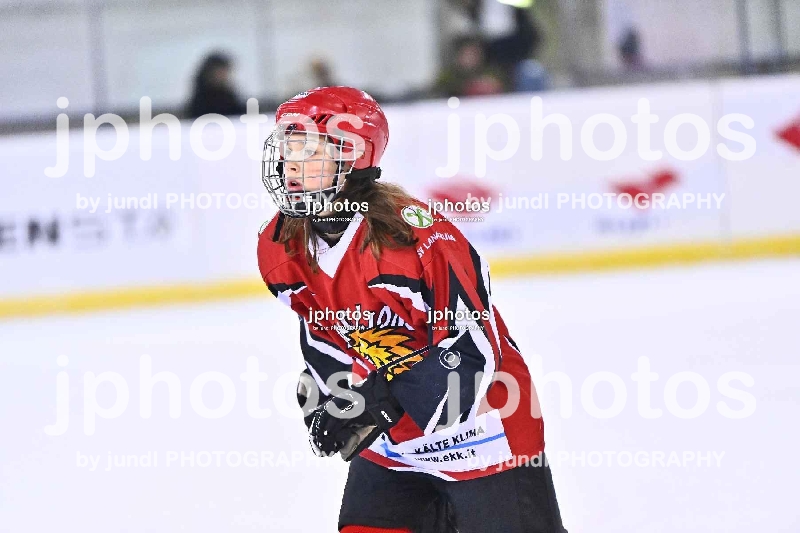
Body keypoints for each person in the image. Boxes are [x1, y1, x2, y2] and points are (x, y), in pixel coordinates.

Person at [257, 86, 567, 533]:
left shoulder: (418, 241)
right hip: (395, 443)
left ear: (352, 156)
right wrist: (334, 396)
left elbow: (474, 353)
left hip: (485, 433)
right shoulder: (281, 246)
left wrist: (376, 402)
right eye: (289, 149)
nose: (290, 164)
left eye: (309, 151)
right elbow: (323, 330)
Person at [186, 51, 246, 118]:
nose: (223, 76)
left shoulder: (229, 96)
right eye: (219, 72)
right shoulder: (201, 101)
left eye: (224, 72)